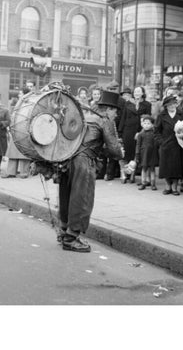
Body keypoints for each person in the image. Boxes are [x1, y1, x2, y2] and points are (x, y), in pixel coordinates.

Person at [58, 90, 124, 252]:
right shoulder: (104, 121)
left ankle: (63, 231)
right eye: (116, 111)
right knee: (82, 198)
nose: (116, 115)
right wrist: (122, 154)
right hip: (83, 162)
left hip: (66, 159)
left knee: (66, 196)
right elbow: (114, 149)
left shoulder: (84, 116)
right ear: (109, 109)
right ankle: (71, 238)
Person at [155, 95, 183, 195]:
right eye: (169, 105)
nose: (171, 106)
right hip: (166, 145)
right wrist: (161, 142)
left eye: (173, 104)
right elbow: (156, 131)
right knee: (166, 167)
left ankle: (175, 187)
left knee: (176, 167)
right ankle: (167, 186)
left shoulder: (181, 114)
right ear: (165, 106)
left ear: (176, 104)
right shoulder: (161, 116)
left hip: (178, 145)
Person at [118, 86, 151, 184]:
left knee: (135, 153)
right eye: (135, 91)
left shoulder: (147, 104)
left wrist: (141, 131)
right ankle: (123, 174)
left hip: (139, 132)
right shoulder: (128, 103)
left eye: (138, 91)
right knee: (125, 153)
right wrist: (120, 132)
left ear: (142, 93)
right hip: (127, 130)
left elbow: (147, 118)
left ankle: (132, 174)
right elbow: (123, 118)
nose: (136, 93)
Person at [4, 87, 31, 178]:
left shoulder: (29, 103)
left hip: (24, 129)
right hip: (15, 129)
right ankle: (11, 172)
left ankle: (24, 172)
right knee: (13, 151)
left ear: (25, 94)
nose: (19, 95)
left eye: (20, 93)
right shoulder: (18, 102)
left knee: (24, 151)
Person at [135, 115, 158, 190]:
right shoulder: (140, 134)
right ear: (142, 124)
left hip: (152, 154)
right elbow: (138, 145)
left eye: (148, 123)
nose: (146, 125)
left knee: (152, 169)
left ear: (152, 125)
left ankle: (153, 184)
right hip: (143, 154)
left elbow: (156, 143)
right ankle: (143, 183)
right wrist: (137, 154)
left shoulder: (154, 133)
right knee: (144, 168)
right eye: (145, 123)